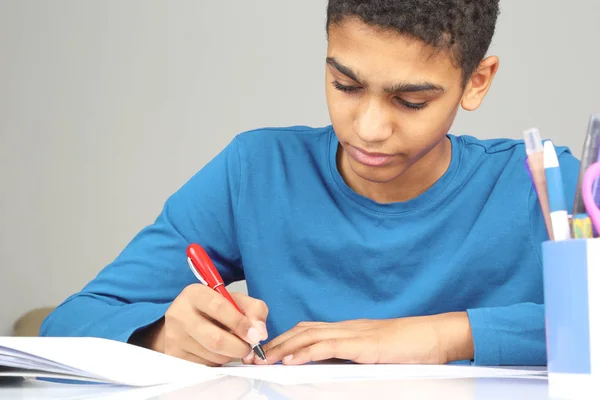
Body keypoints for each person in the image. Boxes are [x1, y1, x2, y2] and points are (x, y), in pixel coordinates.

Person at [40, 0, 580, 368]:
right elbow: (69, 322)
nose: (368, 129)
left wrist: (438, 335)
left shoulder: (539, 182)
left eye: (410, 101)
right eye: (345, 85)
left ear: (476, 82)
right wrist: (162, 335)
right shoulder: (257, 170)